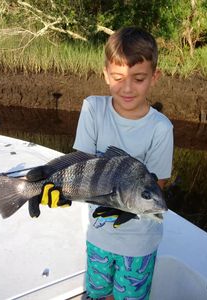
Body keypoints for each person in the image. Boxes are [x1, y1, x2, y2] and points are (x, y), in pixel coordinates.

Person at [28, 27, 173, 300]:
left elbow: (158, 188)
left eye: (138, 78)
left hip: (139, 243)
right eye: (118, 78)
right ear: (105, 74)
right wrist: (55, 184)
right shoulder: (93, 108)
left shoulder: (161, 128)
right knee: (96, 294)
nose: (127, 87)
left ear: (154, 77)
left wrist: (124, 209)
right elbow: (81, 166)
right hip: (98, 236)